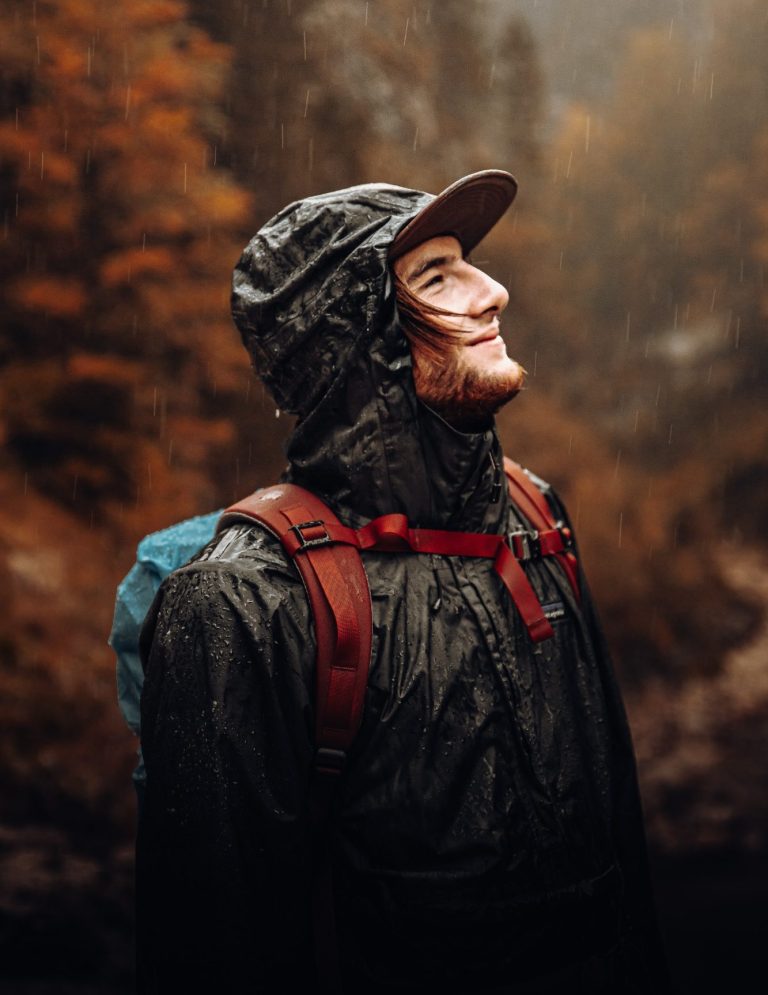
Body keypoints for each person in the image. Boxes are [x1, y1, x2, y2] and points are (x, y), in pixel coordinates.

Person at [135, 170, 668, 993]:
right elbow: (214, 951)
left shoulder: (533, 518)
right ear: (362, 338)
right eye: (437, 276)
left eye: (468, 265)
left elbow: (621, 853)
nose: (494, 292)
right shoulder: (242, 601)